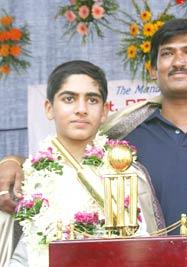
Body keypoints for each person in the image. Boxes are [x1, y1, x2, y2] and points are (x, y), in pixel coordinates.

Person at [0, 19, 187, 266]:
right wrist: (14, 161)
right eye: (168, 53)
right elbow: (68, 152)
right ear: (152, 70)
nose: (179, 61)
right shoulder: (121, 138)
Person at [7, 60, 160, 267]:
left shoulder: (127, 172)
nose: (81, 109)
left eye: (92, 100)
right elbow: (19, 255)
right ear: (49, 108)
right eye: (69, 99)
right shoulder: (26, 177)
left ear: (105, 111)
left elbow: (148, 249)